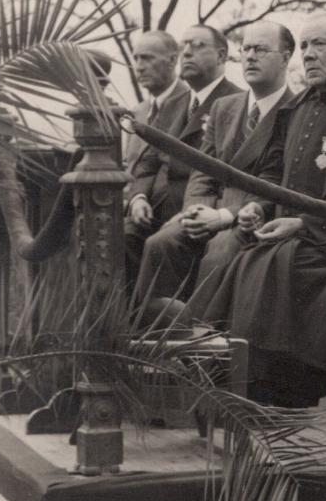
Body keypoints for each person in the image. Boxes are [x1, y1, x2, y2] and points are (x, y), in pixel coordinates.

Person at [184, 13, 326, 407]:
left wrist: (301, 222)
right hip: (303, 231)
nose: (308, 55)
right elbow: (276, 175)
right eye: (303, 46)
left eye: (320, 44)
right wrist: (260, 210)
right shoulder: (301, 105)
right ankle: (230, 374)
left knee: (275, 265)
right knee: (249, 256)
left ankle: (284, 387)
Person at [132, 21, 295, 308]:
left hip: (255, 216)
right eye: (246, 49)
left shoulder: (296, 112)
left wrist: (223, 216)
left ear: (285, 57)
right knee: (160, 243)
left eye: (261, 49)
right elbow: (202, 170)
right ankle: (151, 337)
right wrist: (194, 210)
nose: (250, 56)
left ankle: (204, 340)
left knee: (221, 249)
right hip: (209, 210)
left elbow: (279, 183)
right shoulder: (226, 107)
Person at [125, 24, 242, 286]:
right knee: (117, 237)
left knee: (161, 245)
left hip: (202, 213)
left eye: (198, 46)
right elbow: (148, 162)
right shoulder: (175, 104)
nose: (186, 53)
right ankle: (123, 323)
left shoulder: (237, 102)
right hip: (156, 212)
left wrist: (198, 212)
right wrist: (138, 197)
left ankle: (156, 325)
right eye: (183, 47)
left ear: (222, 56)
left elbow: (232, 174)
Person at [123, 30, 188, 172]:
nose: (139, 67)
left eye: (147, 58)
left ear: (172, 60)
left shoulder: (192, 106)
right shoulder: (137, 112)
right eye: (136, 59)